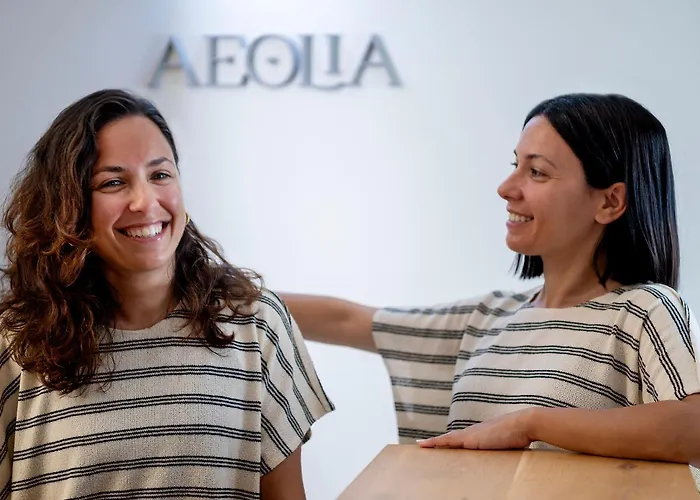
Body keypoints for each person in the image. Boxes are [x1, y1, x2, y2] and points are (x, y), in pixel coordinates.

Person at [280, 93, 700, 484]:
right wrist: (238, 294)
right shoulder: (488, 317)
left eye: (536, 172)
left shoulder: (644, 310)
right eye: (515, 164)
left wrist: (531, 424)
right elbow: (347, 320)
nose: (506, 188)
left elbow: (695, 428)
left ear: (610, 202)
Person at [0, 89, 334, 500]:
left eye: (160, 175)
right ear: (69, 206)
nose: (145, 201)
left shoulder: (256, 323)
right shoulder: (13, 341)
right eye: (113, 182)